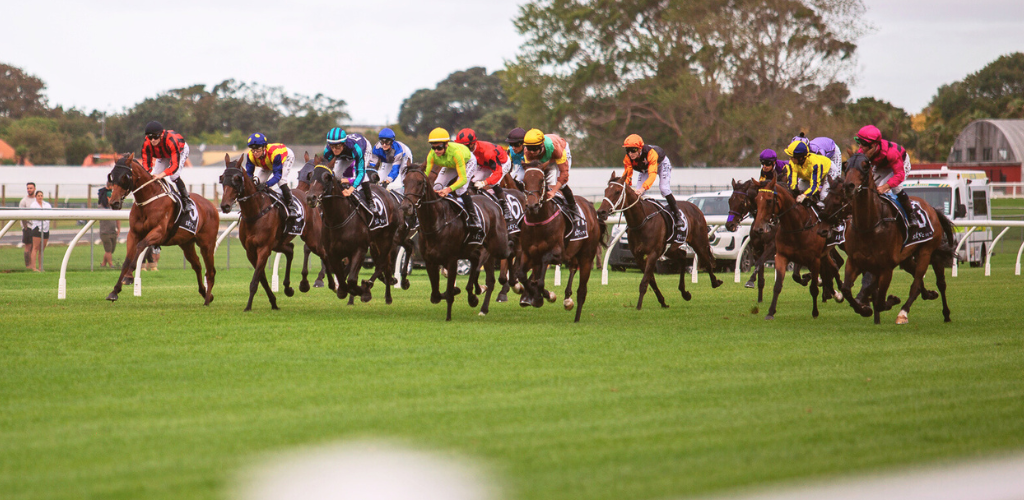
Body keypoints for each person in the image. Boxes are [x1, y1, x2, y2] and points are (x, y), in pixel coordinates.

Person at [423, 127, 482, 238]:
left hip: (466, 161)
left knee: (460, 189)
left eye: (439, 147)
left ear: (446, 144)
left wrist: (448, 189)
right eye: (433, 147)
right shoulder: (432, 154)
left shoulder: (456, 153)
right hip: (450, 164)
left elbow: (463, 179)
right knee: (437, 186)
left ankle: (475, 219)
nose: (436, 151)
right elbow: (425, 176)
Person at [621, 134, 681, 226]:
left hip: (661, 165)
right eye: (628, 150)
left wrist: (643, 188)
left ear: (640, 149)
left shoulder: (651, 153)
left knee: (664, 189)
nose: (630, 153)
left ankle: (678, 215)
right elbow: (627, 175)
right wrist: (624, 187)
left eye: (633, 150)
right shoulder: (627, 158)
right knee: (638, 193)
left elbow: (652, 174)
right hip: (644, 168)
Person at [855, 124, 914, 217]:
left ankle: (911, 216)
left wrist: (885, 186)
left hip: (901, 163)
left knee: (895, 188)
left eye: (863, 143)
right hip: (882, 164)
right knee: (871, 186)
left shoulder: (892, 153)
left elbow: (899, 175)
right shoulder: (862, 150)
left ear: (873, 146)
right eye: (859, 142)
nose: (860, 146)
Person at [454, 128, 511, 216]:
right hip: (485, 164)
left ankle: (505, 208)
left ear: (473, 144)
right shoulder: (467, 150)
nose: (463, 149)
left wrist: (485, 182)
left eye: (466, 146)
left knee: (493, 183)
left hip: (502, 163)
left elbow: (497, 172)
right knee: (472, 181)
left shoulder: (488, 152)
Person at [323, 127, 377, 215]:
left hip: (363, 148)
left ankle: (370, 201)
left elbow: (361, 173)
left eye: (337, 146)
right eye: (332, 146)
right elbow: (326, 169)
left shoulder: (356, 149)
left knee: (362, 176)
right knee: (335, 175)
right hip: (344, 154)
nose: (335, 149)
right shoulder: (328, 151)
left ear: (344, 144)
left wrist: (350, 190)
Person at [141, 121, 193, 210]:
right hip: (163, 154)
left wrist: (161, 175)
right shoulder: (147, 144)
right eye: (150, 137)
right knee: (154, 176)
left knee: (174, 176)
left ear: (161, 135)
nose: (153, 140)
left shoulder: (171, 141)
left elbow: (174, 166)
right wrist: (147, 174)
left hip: (180, 151)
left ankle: (186, 200)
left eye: (155, 136)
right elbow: (146, 164)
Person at [522, 128, 576, 214]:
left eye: (535, 148)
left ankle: (574, 208)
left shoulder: (556, 149)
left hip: (559, 151)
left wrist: (553, 191)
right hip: (546, 156)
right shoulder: (527, 153)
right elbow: (531, 174)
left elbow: (564, 173)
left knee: (561, 184)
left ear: (542, 145)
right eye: (529, 148)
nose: (532, 152)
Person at [244, 132, 296, 216]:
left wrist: (266, 185)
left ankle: (291, 206)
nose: (255, 153)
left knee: (282, 181)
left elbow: (277, 176)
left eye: (258, 150)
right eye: (253, 150)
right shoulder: (250, 156)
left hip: (286, 157)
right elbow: (249, 174)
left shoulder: (275, 154)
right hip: (268, 162)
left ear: (264, 147)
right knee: (257, 183)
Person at [783, 140, 830, 209]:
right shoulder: (792, 163)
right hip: (811, 175)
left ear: (800, 158)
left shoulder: (814, 163)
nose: (790, 159)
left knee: (823, 196)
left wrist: (804, 195)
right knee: (800, 189)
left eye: (792, 157)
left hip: (828, 171)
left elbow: (814, 185)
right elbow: (792, 182)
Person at [98, 182, 121, 268]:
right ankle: (111, 265)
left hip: (112, 231)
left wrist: (118, 229)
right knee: (108, 250)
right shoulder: (101, 207)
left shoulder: (114, 207)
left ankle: (103, 264)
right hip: (105, 232)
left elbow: (118, 218)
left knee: (111, 250)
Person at [28, 189, 51, 272]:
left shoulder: (47, 205)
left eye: (41, 195)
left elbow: (50, 215)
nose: (40, 197)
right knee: (35, 247)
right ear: (36, 196)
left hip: (45, 228)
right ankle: (34, 267)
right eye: (38, 196)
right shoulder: (33, 205)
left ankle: (41, 267)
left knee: (42, 249)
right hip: (37, 228)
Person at [19, 182, 36, 269]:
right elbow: (22, 215)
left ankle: (34, 265)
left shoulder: (36, 200)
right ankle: (28, 265)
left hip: (36, 226)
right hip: (28, 227)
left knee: (35, 246)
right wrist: (25, 227)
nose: (29, 190)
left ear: (34, 189)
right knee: (28, 246)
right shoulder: (24, 201)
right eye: (28, 188)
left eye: (31, 188)